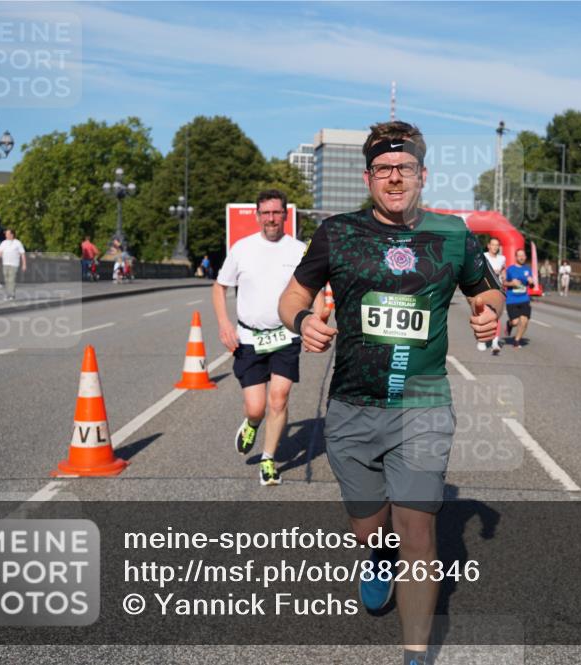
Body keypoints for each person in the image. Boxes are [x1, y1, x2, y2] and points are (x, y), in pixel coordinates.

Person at [278, 121, 504, 665]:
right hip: (353, 407)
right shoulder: (337, 232)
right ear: (369, 177)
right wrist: (303, 320)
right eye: (384, 169)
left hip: (423, 405)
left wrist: (490, 311)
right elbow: (292, 297)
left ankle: (415, 654)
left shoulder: (452, 235)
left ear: (422, 175)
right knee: (369, 527)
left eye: (404, 168)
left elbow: (490, 289)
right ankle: (376, 555)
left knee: (418, 531)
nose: (395, 177)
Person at [214, 189, 318, 487]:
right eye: (266, 213)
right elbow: (220, 286)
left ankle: (268, 459)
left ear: (285, 215)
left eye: (276, 212)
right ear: (258, 216)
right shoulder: (242, 249)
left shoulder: (298, 250)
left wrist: (316, 321)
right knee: (256, 407)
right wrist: (224, 324)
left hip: (286, 336)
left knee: (279, 398)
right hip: (249, 338)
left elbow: (317, 288)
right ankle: (252, 423)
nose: (271, 218)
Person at [477, 236, 505, 354]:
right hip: (484, 289)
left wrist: (502, 275)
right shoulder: (483, 256)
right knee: (483, 314)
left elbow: (503, 271)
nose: (495, 247)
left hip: (497, 290)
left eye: (497, 245)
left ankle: (495, 341)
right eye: (493, 244)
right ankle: (482, 340)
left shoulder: (502, 258)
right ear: (488, 246)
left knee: (496, 315)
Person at [504, 248, 535, 349]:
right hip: (512, 299)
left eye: (523, 255)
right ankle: (509, 324)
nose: (521, 257)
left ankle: (517, 340)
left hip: (524, 299)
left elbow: (531, 286)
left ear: (525, 257)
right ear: (516, 257)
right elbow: (503, 283)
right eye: (519, 255)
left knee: (524, 321)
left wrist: (531, 282)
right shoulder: (510, 269)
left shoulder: (527, 269)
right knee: (515, 322)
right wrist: (511, 283)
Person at [0, 229, 26, 301]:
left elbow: (22, 254)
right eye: (6, 234)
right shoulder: (4, 243)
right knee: (6, 280)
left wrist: (24, 264)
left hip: (14, 264)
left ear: (12, 235)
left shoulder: (17, 243)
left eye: (7, 234)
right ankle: (7, 294)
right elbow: (0, 252)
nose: (5, 235)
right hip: (5, 263)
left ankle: (12, 295)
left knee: (11, 279)